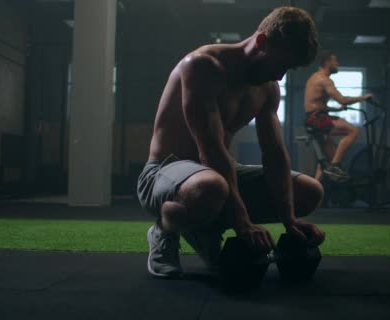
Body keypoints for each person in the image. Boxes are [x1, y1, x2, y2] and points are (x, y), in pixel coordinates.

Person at [137, 7, 326, 279]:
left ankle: (206, 227)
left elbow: (274, 153)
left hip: (212, 175)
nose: (281, 76)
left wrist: (289, 220)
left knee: (309, 192)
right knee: (211, 187)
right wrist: (242, 223)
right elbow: (209, 147)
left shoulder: (268, 89)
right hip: (164, 172)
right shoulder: (202, 66)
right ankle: (165, 230)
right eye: (280, 64)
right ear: (261, 42)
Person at [304, 50, 373, 181]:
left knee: (324, 160)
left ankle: (313, 192)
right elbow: (342, 99)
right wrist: (364, 97)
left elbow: (317, 105)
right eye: (335, 61)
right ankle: (335, 166)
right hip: (317, 119)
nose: (338, 64)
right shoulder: (324, 80)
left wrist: (338, 110)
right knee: (353, 130)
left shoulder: (314, 77)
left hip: (313, 118)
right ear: (327, 62)